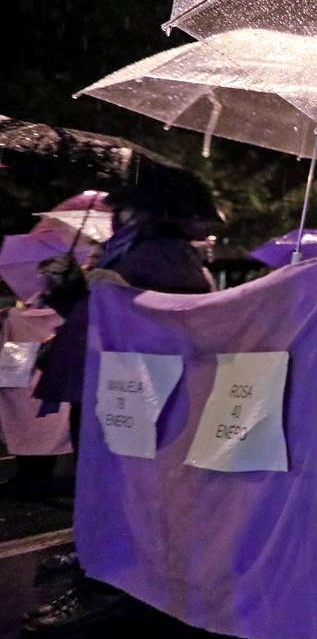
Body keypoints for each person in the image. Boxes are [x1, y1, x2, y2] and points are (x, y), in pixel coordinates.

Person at [24, 184, 215, 636]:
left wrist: (120, 293)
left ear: (142, 211)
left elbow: (171, 319)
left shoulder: (164, 256)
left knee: (119, 490)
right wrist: (70, 288)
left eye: (120, 208)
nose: (111, 214)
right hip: (107, 384)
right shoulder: (131, 249)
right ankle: (101, 567)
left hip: (132, 391)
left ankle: (110, 589)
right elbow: (94, 315)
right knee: (103, 486)